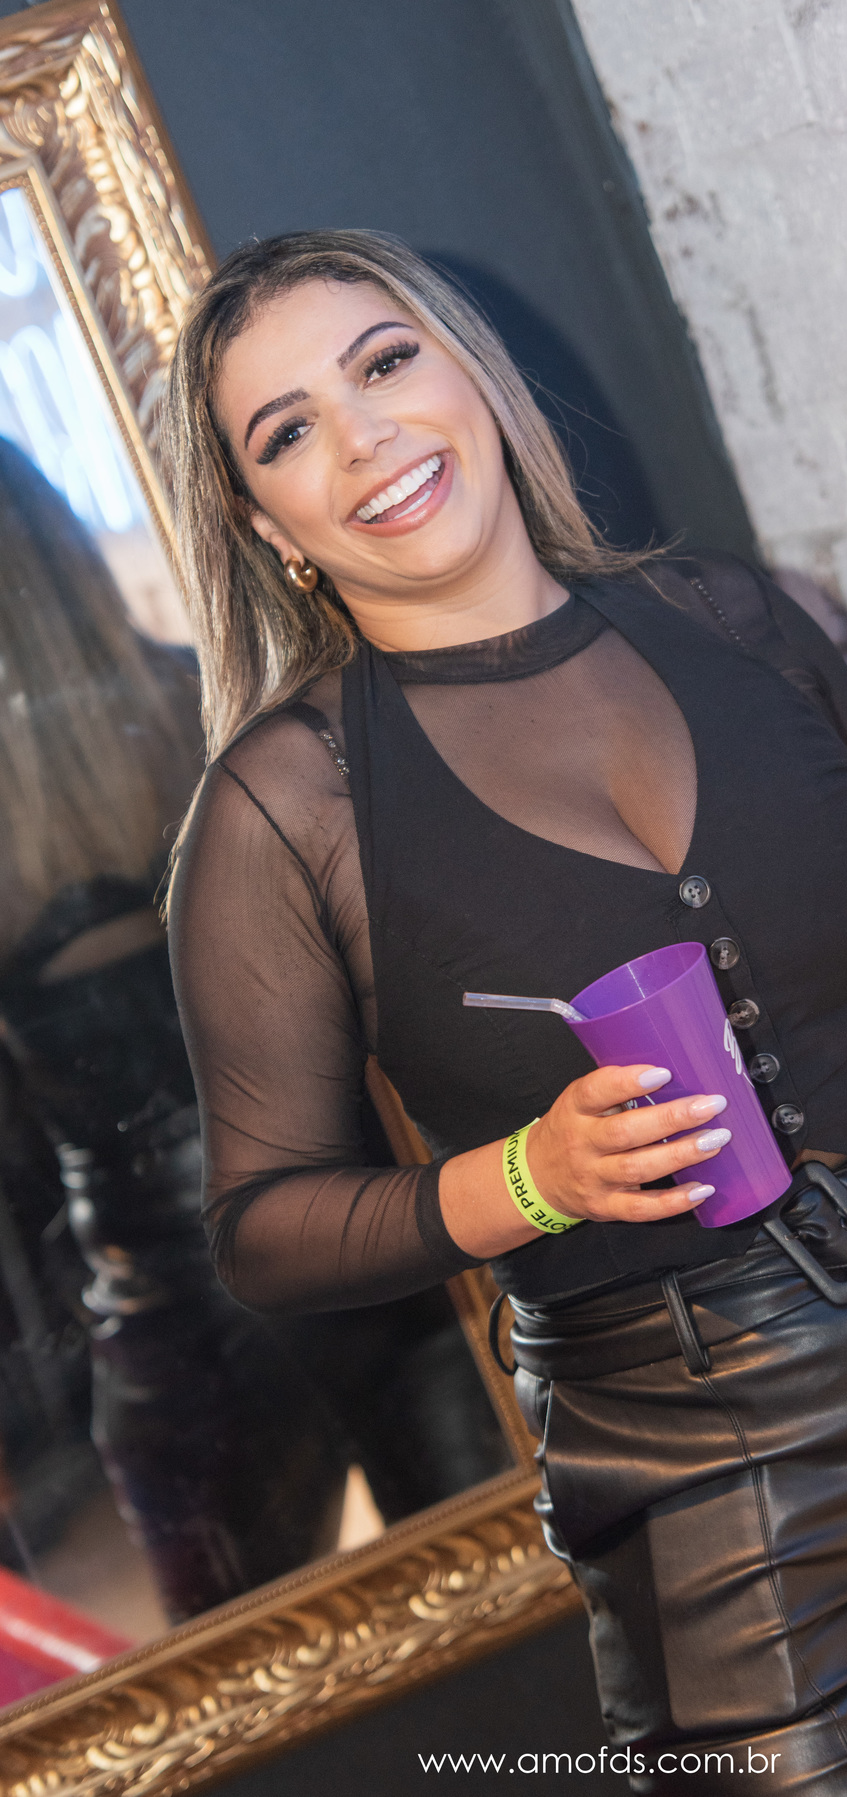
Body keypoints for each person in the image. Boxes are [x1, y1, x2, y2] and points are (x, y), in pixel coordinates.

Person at [164, 228, 847, 1795]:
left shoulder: (727, 617)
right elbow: (264, 1224)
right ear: (266, 524)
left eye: (385, 363)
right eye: (289, 429)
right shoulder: (282, 809)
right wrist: (529, 1179)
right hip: (707, 1459)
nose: (364, 436)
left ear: (470, 377)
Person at [0, 439, 504, 1621]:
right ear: (68, 552)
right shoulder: (232, 716)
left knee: (248, 1687)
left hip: (173, 1319)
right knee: (507, 1610)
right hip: (363, 1237)